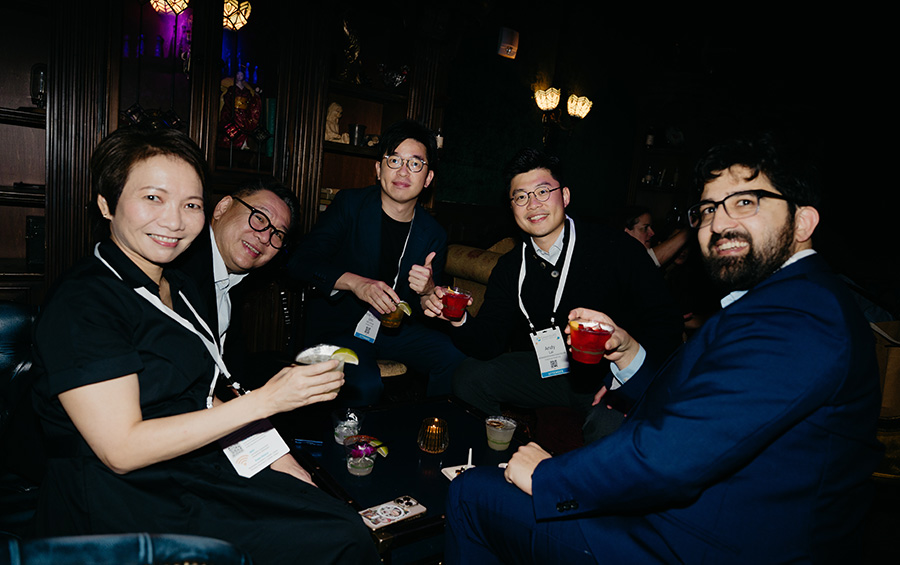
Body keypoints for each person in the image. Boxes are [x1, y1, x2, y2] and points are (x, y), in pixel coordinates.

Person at [444, 135, 883, 564]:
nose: (720, 222)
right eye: (709, 209)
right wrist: (629, 351)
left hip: (699, 537)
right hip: (682, 499)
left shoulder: (798, 317)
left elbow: (672, 453)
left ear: (804, 221)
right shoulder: (778, 301)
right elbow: (698, 400)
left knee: (470, 492)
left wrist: (548, 477)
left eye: (745, 202)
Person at [31, 126, 379, 565]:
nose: (174, 221)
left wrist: (284, 464)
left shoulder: (178, 287)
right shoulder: (85, 302)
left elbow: (206, 393)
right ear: (106, 202)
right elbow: (121, 449)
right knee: (333, 541)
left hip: (188, 467)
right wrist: (269, 400)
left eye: (190, 204)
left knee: (341, 521)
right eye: (153, 198)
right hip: (115, 495)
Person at [423, 148, 683, 442]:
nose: (533, 204)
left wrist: (627, 377)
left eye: (543, 191)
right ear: (512, 207)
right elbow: (488, 342)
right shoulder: (511, 266)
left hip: (611, 376)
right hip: (552, 370)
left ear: (566, 196)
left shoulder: (616, 249)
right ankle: (497, 462)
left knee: (609, 423)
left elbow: (666, 323)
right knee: (469, 377)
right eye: (521, 196)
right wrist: (457, 318)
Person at [288, 119, 466, 406]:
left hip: (396, 331)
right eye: (394, 159)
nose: (404, 171)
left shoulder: (433, 234)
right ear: (379, 169)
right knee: (365, 383)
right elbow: (300, 262)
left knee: (454, 359)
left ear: (429, 178)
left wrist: (427, 291)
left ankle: (428, 430)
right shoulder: (350, 205)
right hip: (341, 328)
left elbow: (425, 309)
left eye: (415, 163)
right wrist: (355, 283)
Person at [173, 178, 298, 386]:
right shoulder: (177, 266)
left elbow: (231, 367)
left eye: (278, 234)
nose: (265, 237)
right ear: (222, 208)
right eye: (259, 218)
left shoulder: (234, 282)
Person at [622, 204, 689, 266]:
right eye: (645, 228)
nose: (652, 233)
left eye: (651, 227)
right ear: (627, 232)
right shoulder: (621, 259)